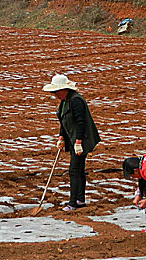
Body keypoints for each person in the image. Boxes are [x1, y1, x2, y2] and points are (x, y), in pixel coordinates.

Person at [42, 74, 101, 211]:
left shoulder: (76, 101)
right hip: (73, 139)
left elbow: (81, 122)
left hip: (82, 140)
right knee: (78, 170)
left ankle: (73, 203)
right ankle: (80, 200)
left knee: (74, 170)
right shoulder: (64, 102)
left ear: (64, 89)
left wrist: (78, 141)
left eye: (56, 91)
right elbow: (64, 121)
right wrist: (61, 137)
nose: (55, 94)